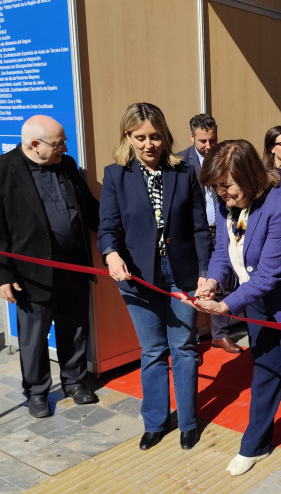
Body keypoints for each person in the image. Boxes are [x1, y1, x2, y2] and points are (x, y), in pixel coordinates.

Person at [186, 139, 281, 476]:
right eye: (217, 188)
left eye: (227, 186)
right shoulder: (230, 206)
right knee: (265, 371)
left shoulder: (280, 205)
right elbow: (224, 252)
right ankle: (255, 443)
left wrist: (225, 305)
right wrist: (212, 281)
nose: (223, 194)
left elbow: (270, 274)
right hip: (259, 302)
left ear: (249, 175)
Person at [98, 102, 213, 451]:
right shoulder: (116, 175)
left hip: (181, 273)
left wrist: (206, 274)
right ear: (127, 137)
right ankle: (156, 421)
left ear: (165, 136)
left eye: (156, 137)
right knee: (151, 351)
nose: (149, 145)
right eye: (140, 137)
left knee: (184, 348)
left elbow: (199, 230)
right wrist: (111, 253)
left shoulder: (183, 173)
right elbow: (108, 228)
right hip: (138, 277)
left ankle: (189, 421)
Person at [0, 115, 100, 419]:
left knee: (75, 327)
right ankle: (36, 392)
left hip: (73, 264)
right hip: (30, 273)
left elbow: (87, 209)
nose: (64, 147)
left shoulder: (66, 165)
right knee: (34, 335)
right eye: (58, 143)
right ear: (35, 144)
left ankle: (74, 381)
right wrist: (1, 276)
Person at [177, 114, 241, 354]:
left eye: (212, 139)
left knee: (222, 281)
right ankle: (191, 341)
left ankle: (220, 335)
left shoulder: (225, 158)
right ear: (192, 137)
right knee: (195, 283)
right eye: (203, 141)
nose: (208, 146)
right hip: (194, 234)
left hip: (222, 228)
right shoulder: (181, 162)